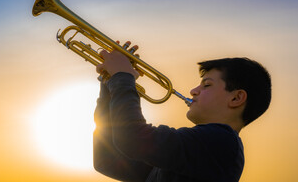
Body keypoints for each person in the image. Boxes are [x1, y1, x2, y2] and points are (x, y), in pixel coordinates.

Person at [93, 42, 272, 182]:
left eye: (207, 85)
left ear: (236, 98)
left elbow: (132, 138)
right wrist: (109, 85)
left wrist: (122, 77)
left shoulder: (222, 142)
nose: (194, 90)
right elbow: (107, 160)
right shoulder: (196, 153)